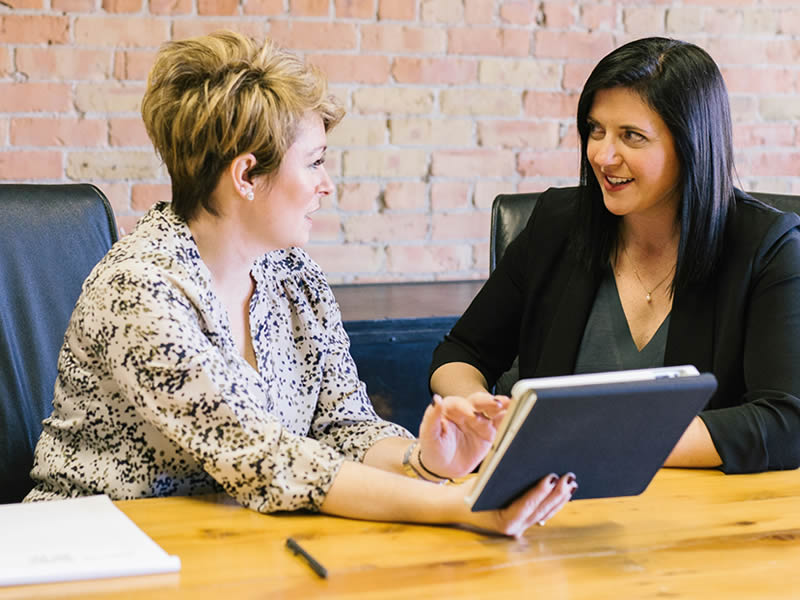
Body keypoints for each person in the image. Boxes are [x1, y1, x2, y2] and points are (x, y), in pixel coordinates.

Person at [23, 31, 575, 537]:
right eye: (314, 162)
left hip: (234, 543)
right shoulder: (140, 289)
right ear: (246, 175)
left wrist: (426, 462)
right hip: (91, 549)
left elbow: (344, 425)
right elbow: (266, 458)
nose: (327, 185)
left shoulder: (293, 276)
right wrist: (461, 505)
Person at [430, 37, 800, 475]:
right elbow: (462, 350)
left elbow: (785, 421)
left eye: (632, 136)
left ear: (691, 145)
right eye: (596, 129)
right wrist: (473, 409)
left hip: (698, 513)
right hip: (548, 501)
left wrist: (595, 439)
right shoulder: (556, 224)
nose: (603, 156)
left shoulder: (767, 247)